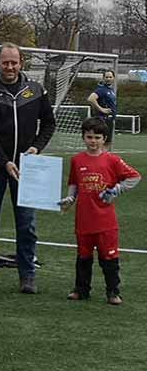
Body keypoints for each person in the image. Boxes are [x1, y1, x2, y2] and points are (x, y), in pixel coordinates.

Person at [0, 43, 55, 295]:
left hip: (28, 168)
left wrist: (36, 149)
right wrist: (5, 161)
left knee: (27, 224)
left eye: (14, 62)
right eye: (5, 62)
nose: (10, 67)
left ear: (21, 62)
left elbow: (49, 123)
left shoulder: (36, 90)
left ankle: (27, 275)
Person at [59, 117, 140, 305]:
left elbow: (135, 177)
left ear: (104, 139)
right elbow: (74, 183)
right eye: (89, 137)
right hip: (84, 220)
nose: (93, 141)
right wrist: (70, 198)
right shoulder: (77, 160)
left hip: (106, 221)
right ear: (83, 137)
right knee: (83, 257)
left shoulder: (112, 160)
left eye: (97, 137)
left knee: (109, 258)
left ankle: (113, 292)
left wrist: (116, 190)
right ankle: (81, 290)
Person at [87, 70, 117, 146]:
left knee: (107, 142)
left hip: (110, 119)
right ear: (103, 78)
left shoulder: (111, 90)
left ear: (113, 78)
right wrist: (101, 109)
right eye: (106, 77)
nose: (108, 79)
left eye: (110, 77)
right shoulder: (102, 89)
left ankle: (104, 157)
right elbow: (91, 99)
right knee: (102, 142)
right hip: (103, 119)